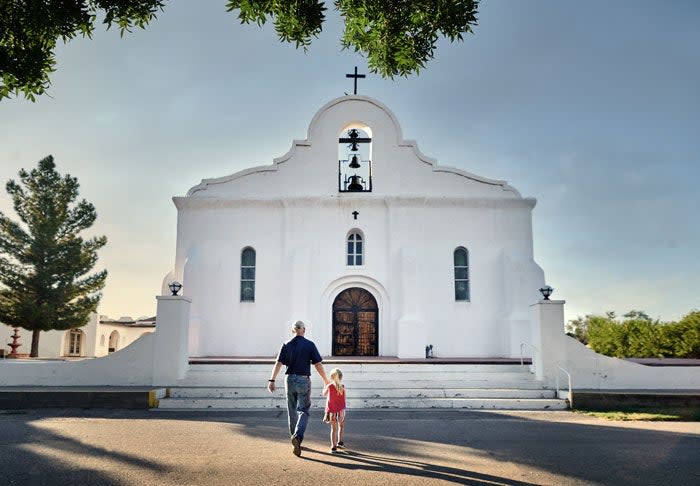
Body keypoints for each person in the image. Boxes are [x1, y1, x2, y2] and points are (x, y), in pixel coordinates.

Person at [268, 320, 329, 457]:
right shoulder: (309, 345)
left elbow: (278, 363)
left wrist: (272, 380)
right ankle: (298, 436)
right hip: (303, 379)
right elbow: (318, 364)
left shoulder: (286, 345)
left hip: (289, 379)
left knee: (292, 410)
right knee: (303, 410)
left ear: (293, 330)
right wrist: (326, 380)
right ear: (304, 330)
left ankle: (294, 439)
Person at [323, 367, 347, 453]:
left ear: (331, 377)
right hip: (341, 410)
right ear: (341, 377)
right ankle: (340, 442)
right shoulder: (343, 386)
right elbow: (344, 398)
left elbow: (324, 394)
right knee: (341, 426)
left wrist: (325, 384)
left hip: (332, 410)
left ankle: (333, 446)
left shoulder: (329, 386)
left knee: (333, 429)